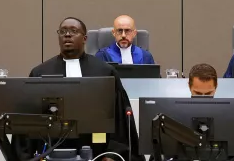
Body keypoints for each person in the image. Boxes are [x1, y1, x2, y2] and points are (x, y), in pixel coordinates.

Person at [12, 17, 144, 161]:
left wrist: (112, 154)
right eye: (63, 32)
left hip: (97, 151)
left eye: (73, 31)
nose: (67, 35)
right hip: (51, 151)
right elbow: (27, 123)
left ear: (84, 38)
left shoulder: (105, 72)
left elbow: (120, 120)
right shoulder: (40, 73)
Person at [151, 64, 234, 161]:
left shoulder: (233, 118)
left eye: (208, 94)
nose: (203, 98)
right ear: (189, 87)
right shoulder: (173, 118)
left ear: (216, 87)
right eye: (198, 93)